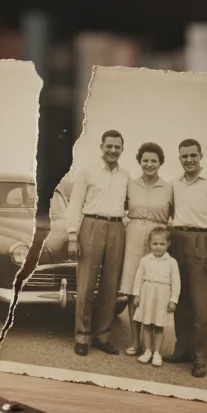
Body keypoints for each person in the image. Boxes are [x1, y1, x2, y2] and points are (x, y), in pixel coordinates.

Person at [164, 139, 207, 379]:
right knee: (181, 299)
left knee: (202, 306)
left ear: (200, 156)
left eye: (193, 155)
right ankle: (182, 350)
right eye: (184, 156)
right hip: (177, 240)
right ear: (179, 158)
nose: (189, 160)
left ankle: (200, 358)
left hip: (202, 241)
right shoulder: (174, 184)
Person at [66, 130, 129, 357]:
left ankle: (103, 336)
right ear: (102, 146)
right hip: (91, 225)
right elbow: (75, 204)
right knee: (86, 284)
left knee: (110, 286)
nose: (113, 150)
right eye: (109, 146)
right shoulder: (87, 172)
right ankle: (82, 337)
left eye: (117, 147)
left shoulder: (126, 176)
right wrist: (72, 236)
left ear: (122, 149)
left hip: (117, 228)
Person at [119, 142, 173, 356]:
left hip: (157, 240)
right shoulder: (130, 185)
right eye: (145, 160)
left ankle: (150, 343)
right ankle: (135, 341)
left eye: (154, 161)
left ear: (160, 163)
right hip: (133, 238)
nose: (149, 164)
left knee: (153, 288)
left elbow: (176, 215)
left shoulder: (169, 188)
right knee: (133, 290)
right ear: (139, 162)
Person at [132, 226, 181, 367]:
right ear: (149, 243)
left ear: (168, 244)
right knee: (147, 323)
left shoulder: (172, 262)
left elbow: (176, 283)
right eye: (155, 243)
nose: (158, 247)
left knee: (159, 325)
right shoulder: (145, 260)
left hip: (162, 297)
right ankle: (147, 351)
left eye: (162, 244)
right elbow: (138, 278)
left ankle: (157, 353)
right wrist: (137, 294)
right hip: (147, 294)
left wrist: (173, 300)